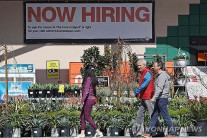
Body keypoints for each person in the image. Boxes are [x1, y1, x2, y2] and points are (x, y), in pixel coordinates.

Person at [142, 61, 175, 137]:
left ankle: (172, 133)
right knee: (154, 116)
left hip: (162, 99)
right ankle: (148, 132)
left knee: (165, 116)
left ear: (159, 67)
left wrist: (153, 98)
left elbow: (159, 88)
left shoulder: (162, 76)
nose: (153, 67)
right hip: (160, 98)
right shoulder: (160, 75)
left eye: (154, 66)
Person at [131, 59, 159, 136]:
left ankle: (157, 130)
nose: (139, 67)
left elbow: (144, 84)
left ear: (144, 65)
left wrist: (135, 92)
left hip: (148, 96)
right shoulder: (143, 73)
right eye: (138, 65)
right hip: (144, 96)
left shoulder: (147, 73)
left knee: (152, 114)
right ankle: (140, 131)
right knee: (140, 114)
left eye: (140, 65)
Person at [75, 65, 103, 138]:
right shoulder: (93, 79)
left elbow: (86, 92)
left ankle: (98, 132)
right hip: (91, 98)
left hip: (88, 99)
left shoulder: (88, 79)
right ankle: (82, 133)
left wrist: (81, 101)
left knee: (87, 117)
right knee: (82, 116)